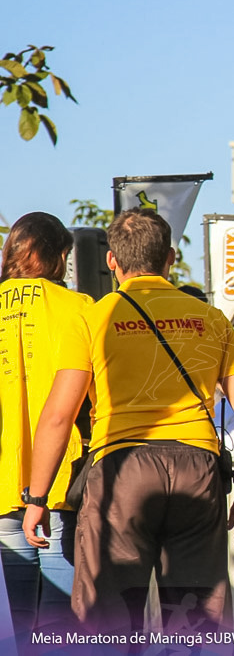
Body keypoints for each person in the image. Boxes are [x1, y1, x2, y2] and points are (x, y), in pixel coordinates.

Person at [22, 208, 234, 636]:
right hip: (198, 470)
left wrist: (37, 497)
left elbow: (59, 414)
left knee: (110, 621)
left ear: (112, 261)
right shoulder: (211, 320)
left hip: (122, 471)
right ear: (170, 258)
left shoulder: (93, 318)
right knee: (196, 620)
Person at [0, 213, 93, 645]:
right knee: (59, 614)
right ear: (60, 257)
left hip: (2, 482)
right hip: (58, 477)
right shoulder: (80, 308)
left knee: (15, 616)